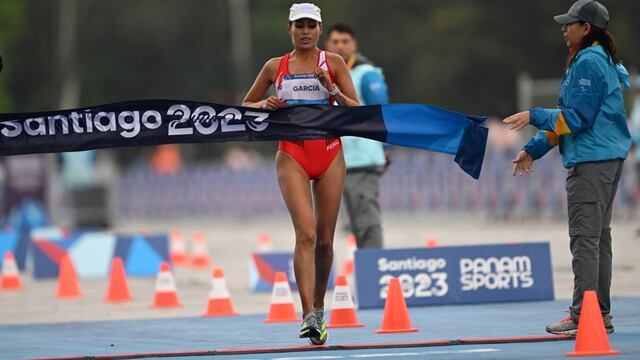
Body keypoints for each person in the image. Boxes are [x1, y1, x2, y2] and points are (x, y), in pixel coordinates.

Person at [503, 0, 631, 335]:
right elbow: (568, 121)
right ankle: (598, 314)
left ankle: (582, 316)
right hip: (606, 158)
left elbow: (576, 119)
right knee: (598, 239)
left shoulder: (588, 62)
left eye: (570, 23)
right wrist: (533, 149)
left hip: (590, 162)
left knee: (585, 240)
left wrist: (533, 115)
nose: (564, 27)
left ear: (586, 29)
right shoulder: (599, 58)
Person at [242, 3, 359, 345]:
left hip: (329, 153)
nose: (305, 31)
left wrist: (332, 89)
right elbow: (244, 106)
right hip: (291, 153)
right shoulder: (274, 66)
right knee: (305, 235)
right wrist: (263, 104)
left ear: (319, 29)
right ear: (289, 29)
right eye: (299, 25)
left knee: (324, 242)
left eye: (311, 25)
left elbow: (359, 111)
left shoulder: (333, 63)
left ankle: (320, 308)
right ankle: (307, 313)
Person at [325, 23, 389, 249]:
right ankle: (368, 271)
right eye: (335, 42)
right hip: (336, 159)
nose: (340, 46)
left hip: (363, 158)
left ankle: (374, 268)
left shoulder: (366, 74)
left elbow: (382, 113)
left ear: (355, 44)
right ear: (327, 45)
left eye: (345, 41)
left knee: (367, 222)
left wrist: (384, 150)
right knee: (353, 224)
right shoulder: (326, 74)